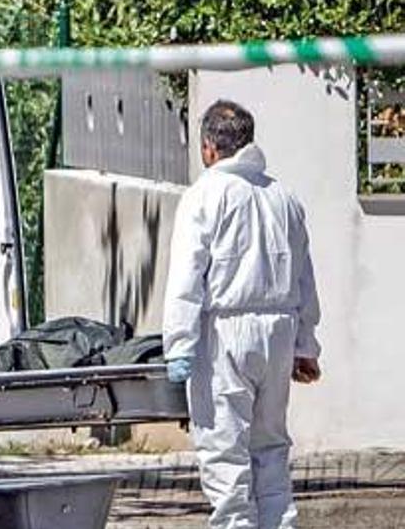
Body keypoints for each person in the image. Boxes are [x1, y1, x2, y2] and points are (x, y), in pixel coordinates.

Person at [163, 99, 322, 529]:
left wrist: (178, 346)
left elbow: (186, 277)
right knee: (270, 447)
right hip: (280, 332)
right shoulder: (283, 196)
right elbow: (305, 278)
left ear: (210, 147)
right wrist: (306, 345)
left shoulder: (204, 195)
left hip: (225, 335)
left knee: (224, 450)